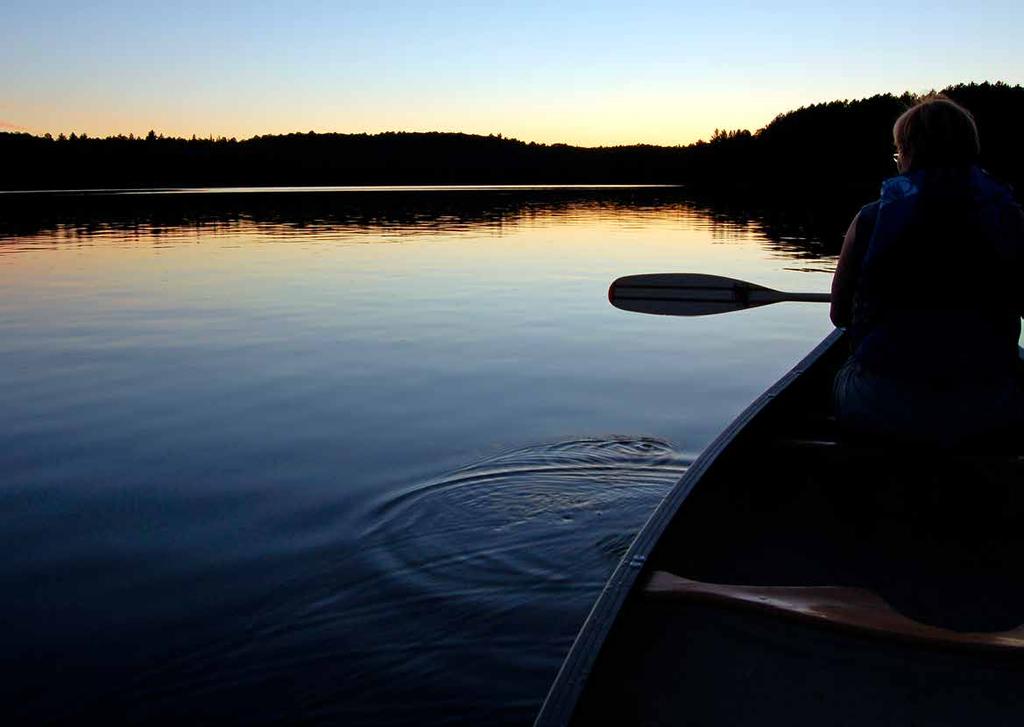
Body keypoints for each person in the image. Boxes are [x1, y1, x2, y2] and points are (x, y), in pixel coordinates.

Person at [830, 95, 1024, 446]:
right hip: (988, 411)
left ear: (907, 153)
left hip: (879, 408)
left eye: (897, 152)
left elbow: (840, 316)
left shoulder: (871, 218)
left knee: (843, 368)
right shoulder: (1009, 216)